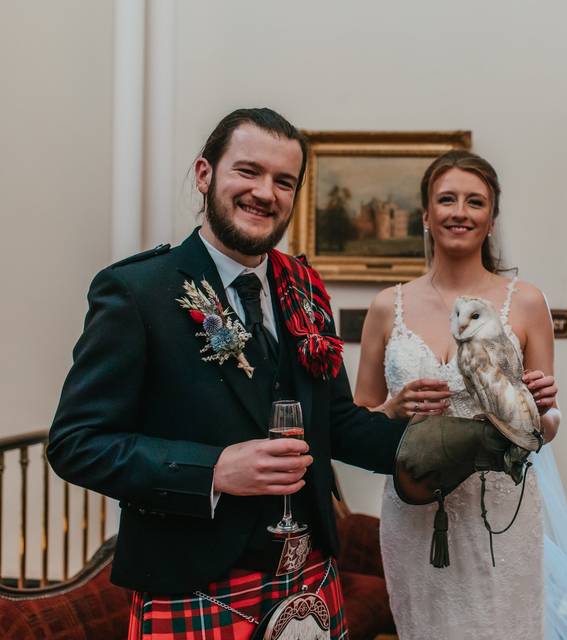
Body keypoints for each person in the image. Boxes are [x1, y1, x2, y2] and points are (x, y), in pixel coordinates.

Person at [47, 108, 410, 640]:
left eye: (283, 181)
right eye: (248, 171)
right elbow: (76, 443)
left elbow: (334, 421)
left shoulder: (305, 289)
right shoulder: (136, 292)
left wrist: (437, 441)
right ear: (204, 174)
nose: (265, 192)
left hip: (308, 577)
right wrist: (213, 470)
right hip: (192, 585)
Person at [354, 150, 567, 639]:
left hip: (501, 513)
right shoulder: (389, 307)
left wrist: (540, 408)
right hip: (415, 513)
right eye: (446, 199)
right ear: (426, 215)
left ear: (492, 219)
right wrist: (394, 407)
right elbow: (360, 415)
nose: (460, 212)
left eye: (476, 202)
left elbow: (547, 426)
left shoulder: (527, 302)